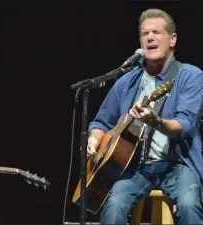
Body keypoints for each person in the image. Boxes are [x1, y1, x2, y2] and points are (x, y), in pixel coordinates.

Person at [86, 8, 203, 224]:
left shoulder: (190, 76)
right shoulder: (127, 81)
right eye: (145, 33)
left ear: (173, 39)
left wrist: (156, 122)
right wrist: (94, 139)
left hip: (177, 165)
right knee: (113, 206)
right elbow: (102, 121)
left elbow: (184, 124)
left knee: (188, 203)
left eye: (157, 32)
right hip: (136, 168)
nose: (150, 37)